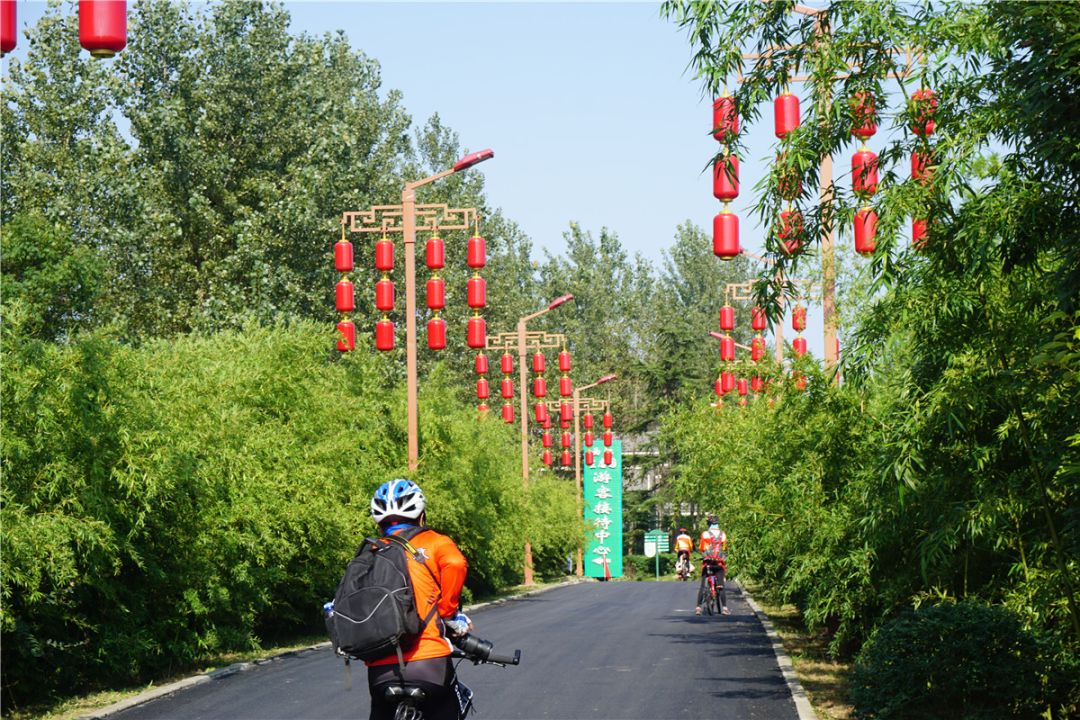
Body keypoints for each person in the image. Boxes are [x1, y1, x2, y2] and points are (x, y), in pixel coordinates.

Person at [365, 479, 471, 720]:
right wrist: (449, 613)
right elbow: (456, 563)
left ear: (380, 522)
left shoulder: (371, 551)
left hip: (380, 669)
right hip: (428, 663)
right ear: (421, 515)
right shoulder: (436, 541)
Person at [695, 516, 730, 616]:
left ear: (709, 524)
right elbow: (725, 548)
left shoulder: (705, 534)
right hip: (719, 564)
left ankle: (698, 608)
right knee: (721, 586)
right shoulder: (723, 535)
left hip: (708, 563)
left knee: (703, 586)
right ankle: (724, 608)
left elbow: (702, 548)